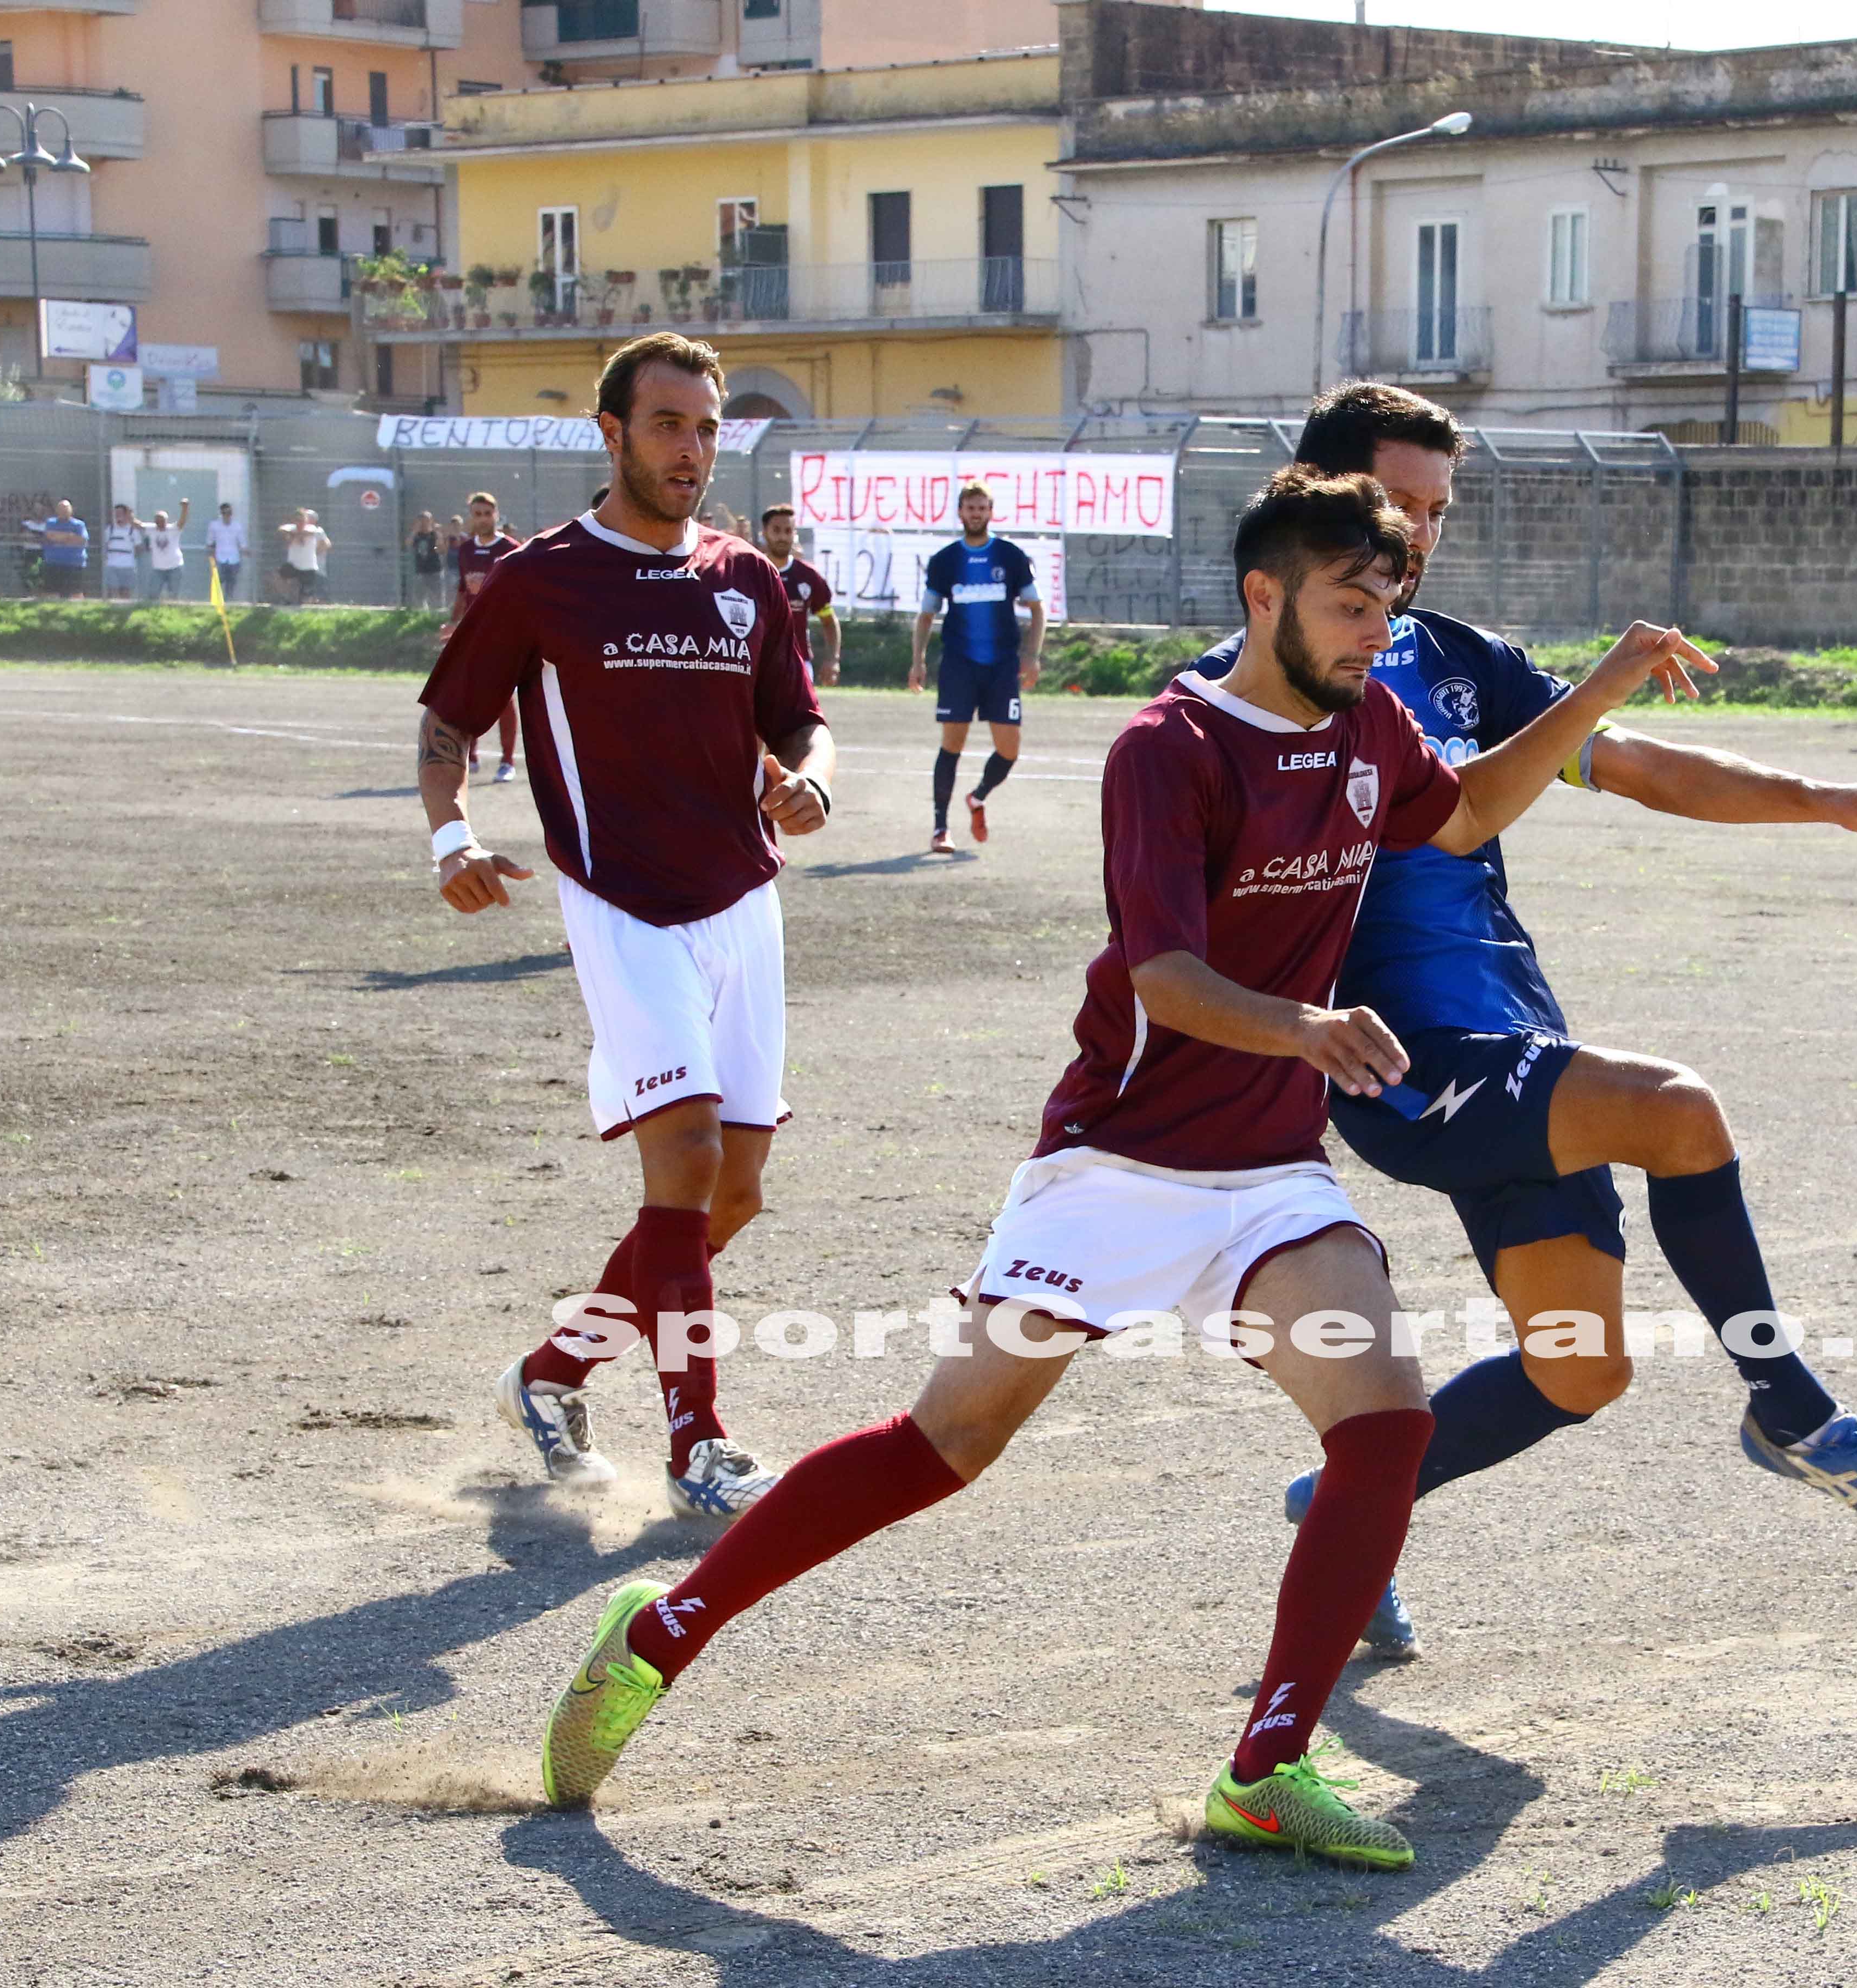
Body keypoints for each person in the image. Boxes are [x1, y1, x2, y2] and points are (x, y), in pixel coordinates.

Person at [533, 466, 1709, 1868]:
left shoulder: (1368, 718)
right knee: (943, 1446)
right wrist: (1306, 1027)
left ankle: (1264, 1768)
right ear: (1263, 595)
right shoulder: (1169, 746)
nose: (1373, 631)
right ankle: (657, 1631)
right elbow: (1161, 976)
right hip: (1118, 1166)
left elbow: (1453, 815)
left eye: (1387, 603)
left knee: (1384, 1424)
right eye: (1348, 603)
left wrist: (1597, 688)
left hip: (1269, 1173)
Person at [1206, 385, 1857, 1663]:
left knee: (1577, 1369)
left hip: (1513, 1035)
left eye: (1440, 512)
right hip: (1404, 1062)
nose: (1423, 535)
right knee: (1673, 1109)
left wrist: (1832, 799)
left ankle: (1346, 1505)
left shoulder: (1457, 662)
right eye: (1403, 505)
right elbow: (1344, 854)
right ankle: (1788, 1411)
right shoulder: (1259, 686)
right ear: (1319, 493)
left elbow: (1635, 763)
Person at [419, 333, 833, 1528]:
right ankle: (698, 1444)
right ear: (612, 434)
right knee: (689, 1157)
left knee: (735, 1194)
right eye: (667, 425)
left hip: (743, 902)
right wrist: (451, 838)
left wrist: (813, 781)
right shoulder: (543, 579)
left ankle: (548, 1378)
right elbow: (448, 728)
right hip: (621, 901)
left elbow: (800, 729)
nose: (691, 451)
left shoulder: (746, 579)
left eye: (706, 428)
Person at [907, 481, 1043, 853]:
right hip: (959, 667)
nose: (976, 514)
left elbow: (1037, 609)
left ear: (990, 511)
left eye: (982, 508)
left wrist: (1032, 655)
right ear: (961, 512)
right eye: (970, 508)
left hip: (1002, 668)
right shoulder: (946, 560)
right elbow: (926, 616)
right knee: (952, 746)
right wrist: (917, 661)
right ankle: (940, 828)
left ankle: (978, 796)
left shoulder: (1011, 556)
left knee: (1010, 750)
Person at [444, 491, 521, 782]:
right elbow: (464, 591)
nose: (482, 519)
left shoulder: (512, 549)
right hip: (473, 634)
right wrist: (454, 623)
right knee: (470, 695)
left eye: (487, 514)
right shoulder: (465, 551)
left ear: (496, 515)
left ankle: (507, 761)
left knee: (503, 699)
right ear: (471, 517)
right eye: (477, 514)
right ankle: (471, 755)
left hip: (503, 634)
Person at [755, 503, 840, 688]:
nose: (783, 537)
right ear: (765, 532)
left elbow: (829, 620)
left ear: (795, 534)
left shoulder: (809, 577)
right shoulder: (751, 571)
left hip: (798, 665)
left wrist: (833, 659)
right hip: (757, 666)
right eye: (776, 530)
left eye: (788, 531)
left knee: (798, 718)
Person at [26, 500, 90, 597]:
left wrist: (58, 538)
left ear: (71, 511)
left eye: (66, 509)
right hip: (53, 563)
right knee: (51, 592)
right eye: (61, 509)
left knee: (76, 593)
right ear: (57, 511)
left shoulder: (79, 525)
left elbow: (81, 541)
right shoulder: (51, 523)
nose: (64, 512)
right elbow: (49, 537)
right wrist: (69, 536)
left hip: (74, 564)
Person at [137, 499, 191, 602]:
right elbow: (138, 525)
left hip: (175, 566)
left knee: (173, 594)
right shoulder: (151, 529)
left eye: (162, 521)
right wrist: (129, 515)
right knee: (153, 593)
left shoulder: (173, 529)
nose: (160, 523)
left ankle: (172, 612)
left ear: (166, 521)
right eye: (158, 521)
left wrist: (185, 508)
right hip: (158, 568)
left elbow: (182, 522)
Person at [279, 507, 331, 603]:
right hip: (293, 565)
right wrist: (295, 536)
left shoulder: (312, 528)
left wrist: (294, 536)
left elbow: (310, 533)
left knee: (306, 597)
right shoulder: (291, 528)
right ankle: (286, 599)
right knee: (283, 575)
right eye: (297, 520)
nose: (300, 523)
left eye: (302, 520)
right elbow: (281, 529)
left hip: (308, 567)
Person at [204, 502, 250, 603]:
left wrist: (246, 551)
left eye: (230, 513)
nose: (228, 515)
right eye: (225, 513)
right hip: (220, 558)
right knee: (218, 580)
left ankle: (229, 601)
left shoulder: (237, 526)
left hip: (234, 558)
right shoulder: (214, 525)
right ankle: (216, 601)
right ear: (221, 513)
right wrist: (210, 553)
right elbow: (210, 541)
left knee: (232, 581)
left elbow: (242, 542)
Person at [409, 510, 447, 612]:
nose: (424, 524)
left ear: (431, 521)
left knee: (437, 598)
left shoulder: (435, 534)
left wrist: (438, 534)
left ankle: (437, 617)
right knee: (419, 598)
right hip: (421, 570)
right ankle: (421, 618)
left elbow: (442, 550)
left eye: (426, 521)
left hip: (435, 570)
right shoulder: (417, 535)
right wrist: (414, 531)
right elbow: (408, 544)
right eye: (421, 521)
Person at [101, 504, 142, 599]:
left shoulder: (133, 531)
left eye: (120, 513)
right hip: (112, 565)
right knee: (113, 591)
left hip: (128, 566)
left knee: (126, 592)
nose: (118, 516)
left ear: (126, 515)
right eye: (116, 514)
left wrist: (131, 558)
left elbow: (139, 548)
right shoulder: (110, 530)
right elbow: (105, 546)